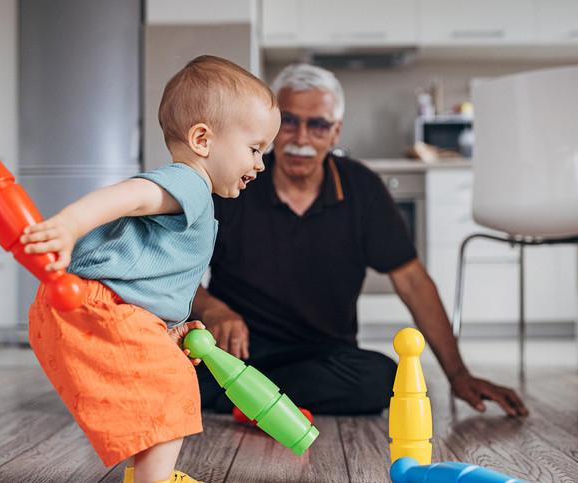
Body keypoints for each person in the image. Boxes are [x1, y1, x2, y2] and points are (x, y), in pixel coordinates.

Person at [191, 63, 529, 418]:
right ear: (273, 127)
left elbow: (413, 282)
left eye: (318, 125)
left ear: (335, 132)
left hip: (323, 355)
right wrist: (214, 309)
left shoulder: (362, 188)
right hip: (237, 349)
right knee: (176, 371)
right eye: (289, 122)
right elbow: (178, 271)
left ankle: (248, 397)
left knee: (383, 379)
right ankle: (257, 399)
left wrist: (458, 374)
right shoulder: (236, 180)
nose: (301, 138)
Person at [22, 55, 280, 483]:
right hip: (98, 307)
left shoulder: (193, 194)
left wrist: (163, 329)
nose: (260, 164)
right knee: (173, 388)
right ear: (202, 139)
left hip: (97, 308)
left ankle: (143, 475)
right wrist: (69, 224)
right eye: (254, 149)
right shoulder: (190, 183)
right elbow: (130, 195)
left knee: (150, 388)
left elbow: (146, 276)